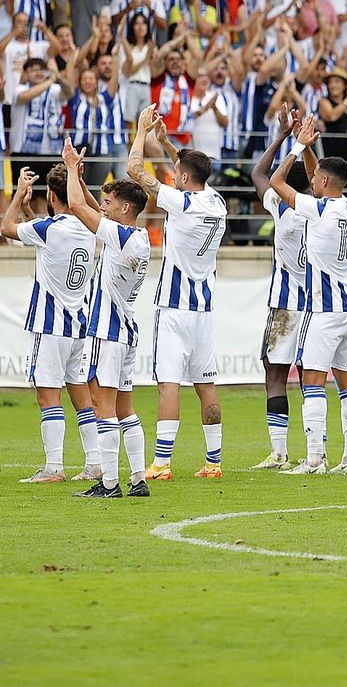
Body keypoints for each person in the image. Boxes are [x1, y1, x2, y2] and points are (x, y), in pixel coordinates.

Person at [122, 105, 228, 479]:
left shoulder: (181, 203)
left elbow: (134, 172)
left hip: (174, 305)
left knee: (169, 383)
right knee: (206, 384)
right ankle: (213, 462)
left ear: (183, 178)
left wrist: (141, 133)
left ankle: (162, 463)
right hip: (204, 308)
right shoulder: (216, 202)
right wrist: (167, 143)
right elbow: (188, 171)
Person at [270, 118, 347, 476]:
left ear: (324, 182)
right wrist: (309, 147)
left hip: (322, 310)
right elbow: (318, 178)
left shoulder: (319, 209)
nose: (311, 181)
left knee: (312, 381)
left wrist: (294, 148)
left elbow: (278, 182)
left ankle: (314, 460)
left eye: (316, 178)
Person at [61, 138, 153, 499]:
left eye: (110, 202)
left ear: (126, 208)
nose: (104, 207)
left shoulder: (120, 235)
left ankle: (110, 483)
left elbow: (75, 206)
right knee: (125, 408)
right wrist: (82, 180)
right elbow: (93, 209)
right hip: (127, 330)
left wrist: (70, 168)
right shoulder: (138, 236)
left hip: (106, 329)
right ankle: (138, 479)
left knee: (102, 406)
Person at [0, 165, 100, 484]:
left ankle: (54, 466)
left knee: (48, 396)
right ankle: (95, 463)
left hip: (50, 324)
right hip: (79, 324)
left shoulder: (48, 228)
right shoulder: (88, 228)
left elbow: (6, 228)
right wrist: (77, 179)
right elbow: (46, 236)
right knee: (81, 395)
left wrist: (18, 196)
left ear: (51, 196)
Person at [247, 110, 310, 469]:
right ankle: (315, 451)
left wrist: (284, 135)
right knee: (310, 377)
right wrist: (304, 144)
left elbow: (259, 173)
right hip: (316, 304)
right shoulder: (322, 209)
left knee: (275, 373)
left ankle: (280, 452)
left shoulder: (282, 208)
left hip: (285, 305)